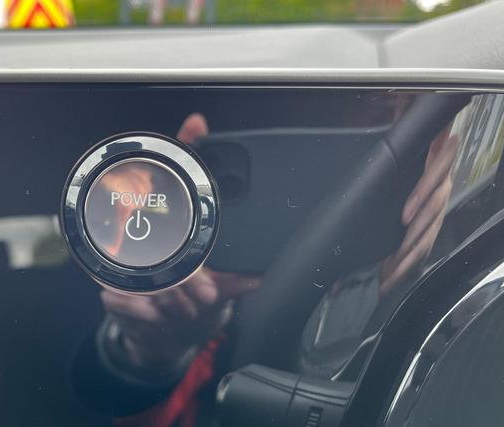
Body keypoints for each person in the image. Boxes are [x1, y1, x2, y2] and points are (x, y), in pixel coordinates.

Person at [74, 112, 460, 427]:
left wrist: (395, 284)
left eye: (392, 116)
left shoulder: (444, 260)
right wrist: (153, 351)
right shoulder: (206, 309)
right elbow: (128, 406)